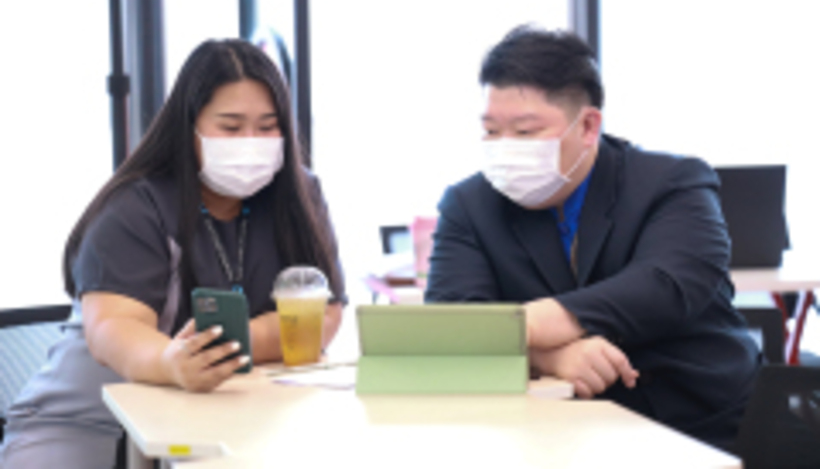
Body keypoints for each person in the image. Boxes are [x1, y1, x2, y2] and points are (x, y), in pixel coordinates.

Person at [0, 39, 346, 468]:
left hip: (223, 421)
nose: (251, 142)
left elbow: (321, 316)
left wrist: (218, 348)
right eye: (231, 128)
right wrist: (171, 361)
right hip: (88, 425)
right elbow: (112, 328)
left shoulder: (299, 195)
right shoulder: (136, 206)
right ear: (189, 127)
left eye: (267, 126)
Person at [424, 25, 761, 452]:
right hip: (541, 431)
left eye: (525, 132)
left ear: (587, 126)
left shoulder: (672, 182)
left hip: (695, 421)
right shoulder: (469, 204)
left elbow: (666, 285)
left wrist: (523, 325)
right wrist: (547, 358)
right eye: (491, 131)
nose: (505, 148)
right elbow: (450, 324)